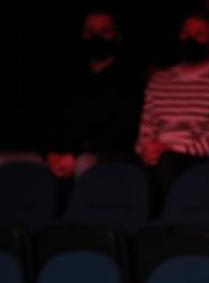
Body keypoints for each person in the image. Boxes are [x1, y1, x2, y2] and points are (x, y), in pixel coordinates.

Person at [135, 12, 209, 210]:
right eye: (186, 33)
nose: (190, 40)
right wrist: (146, 149)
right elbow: (146, 127)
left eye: (199, 35)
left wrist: (171, 151)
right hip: (156, 154)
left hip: (192, 158)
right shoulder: (160, 80)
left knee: (167, 163)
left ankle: (173, 222)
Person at [42, 7, 142, 180]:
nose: (96, 37)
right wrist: (51, 153)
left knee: (85, 164)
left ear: (117, 36)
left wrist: (74, 155)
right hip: (61, 156)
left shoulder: (130, 79)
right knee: (3, 164)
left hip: (102, 156)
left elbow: (122, 130)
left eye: (104, 31)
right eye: (90, 31)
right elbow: (52, 121)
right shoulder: (68, 78)